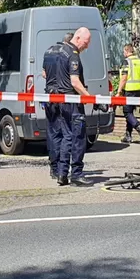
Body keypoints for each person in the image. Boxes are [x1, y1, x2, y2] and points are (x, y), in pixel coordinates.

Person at [42, 27, 94, 186]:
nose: (86, 47)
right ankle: (72, 173)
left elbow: (44, 73)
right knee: (73, 136)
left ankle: (57, 170)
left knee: (55, 135)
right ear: (77, 38)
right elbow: (74, 82)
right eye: (86, 42)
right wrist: (88, 97)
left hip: (52, 99)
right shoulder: (73, 55)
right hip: (70, 101)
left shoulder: (51, 51)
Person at [117, 44, 140, 144]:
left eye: (124, 51)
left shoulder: (127, 61)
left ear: (127, 51)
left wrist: (118, 92)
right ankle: (128, 135)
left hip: (129, 90)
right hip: (138, 91)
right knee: (130, 112)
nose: (123, 53)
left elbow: (124, 78)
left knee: (127, 113)